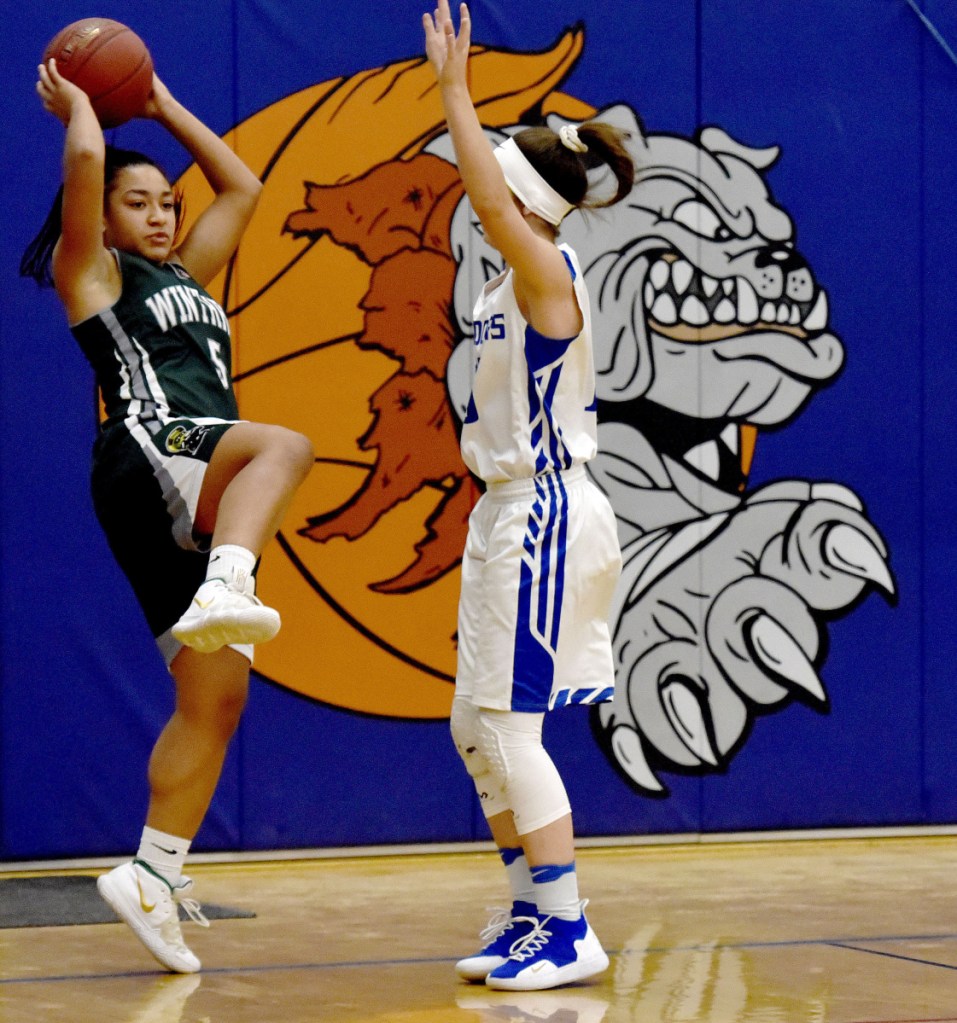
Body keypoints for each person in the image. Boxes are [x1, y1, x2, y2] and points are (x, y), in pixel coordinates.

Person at [20, 58, 314, 973]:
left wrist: (158, 102)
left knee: (217, 695)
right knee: (284, 445)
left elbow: (245, 184)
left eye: (165, 203)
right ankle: (232, 574)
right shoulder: (94, 275)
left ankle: (153, 873)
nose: (159, 213)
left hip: (185, 467)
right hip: (150, 449)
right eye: (137, 200)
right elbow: (81, 173)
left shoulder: (188, 274)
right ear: (102, 216)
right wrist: (84, 114)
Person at [423, 0, 635, 994]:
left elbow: (497, 201)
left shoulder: (548, 268)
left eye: (488, 187)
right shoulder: (509, 288)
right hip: (508, 508)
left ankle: (568, 925)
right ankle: (526, 910)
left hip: (550, 508)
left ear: (511, 196)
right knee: (475, 722)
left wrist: (456, 91)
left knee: (510, 726)